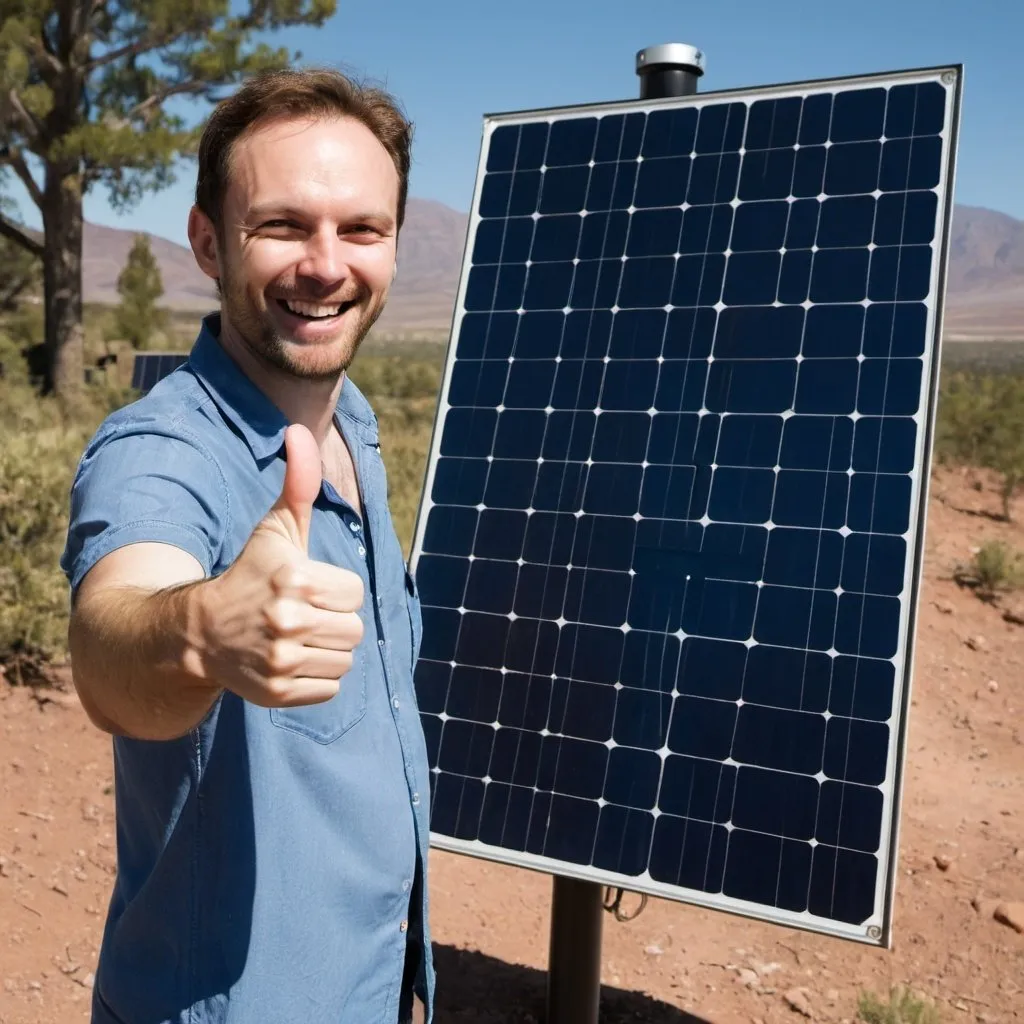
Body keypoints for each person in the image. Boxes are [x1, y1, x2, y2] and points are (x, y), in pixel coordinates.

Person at [60, 68, 434, 1024]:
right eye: (280, 226)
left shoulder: (351, 426)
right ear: (206, 244)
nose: (325, 263)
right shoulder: (161, 448)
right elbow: (112, 639)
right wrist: (203, 632)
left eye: (361, 229)